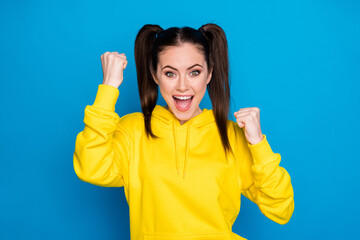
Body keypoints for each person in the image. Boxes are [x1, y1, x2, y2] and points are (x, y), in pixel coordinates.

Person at [73, 23, 294, 240]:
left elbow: (281, 207)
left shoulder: (231, 136)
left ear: (209, 74)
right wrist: (109, 87)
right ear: (154, 74)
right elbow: (91, 167)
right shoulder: (132, 130)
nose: (182, 86)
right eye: (170, 74)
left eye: (194, 72)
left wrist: (257, 143)